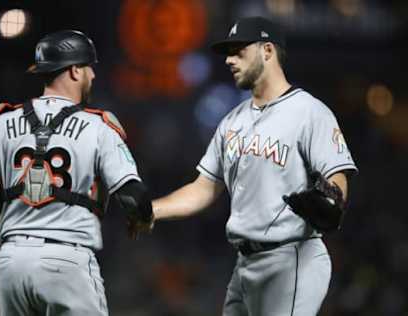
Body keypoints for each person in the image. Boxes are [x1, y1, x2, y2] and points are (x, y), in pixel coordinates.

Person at [151, 17, 358, 315]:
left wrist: (332, 199)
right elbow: (203, 188)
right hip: (244, 264)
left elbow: (336, 176)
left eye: (239, 51)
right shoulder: (231, 121)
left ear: (268, 51)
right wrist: (153, 209)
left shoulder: (309, 111)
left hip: (291, 257)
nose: (229, 60)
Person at [0, 30, 153, 316]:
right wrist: (142, 218)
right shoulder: (98, 126)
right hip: (66, 260)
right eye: (89, 67)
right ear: (74, 70)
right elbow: (134, 196)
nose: (93, 75)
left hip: (11, 264)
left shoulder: (5, 121)